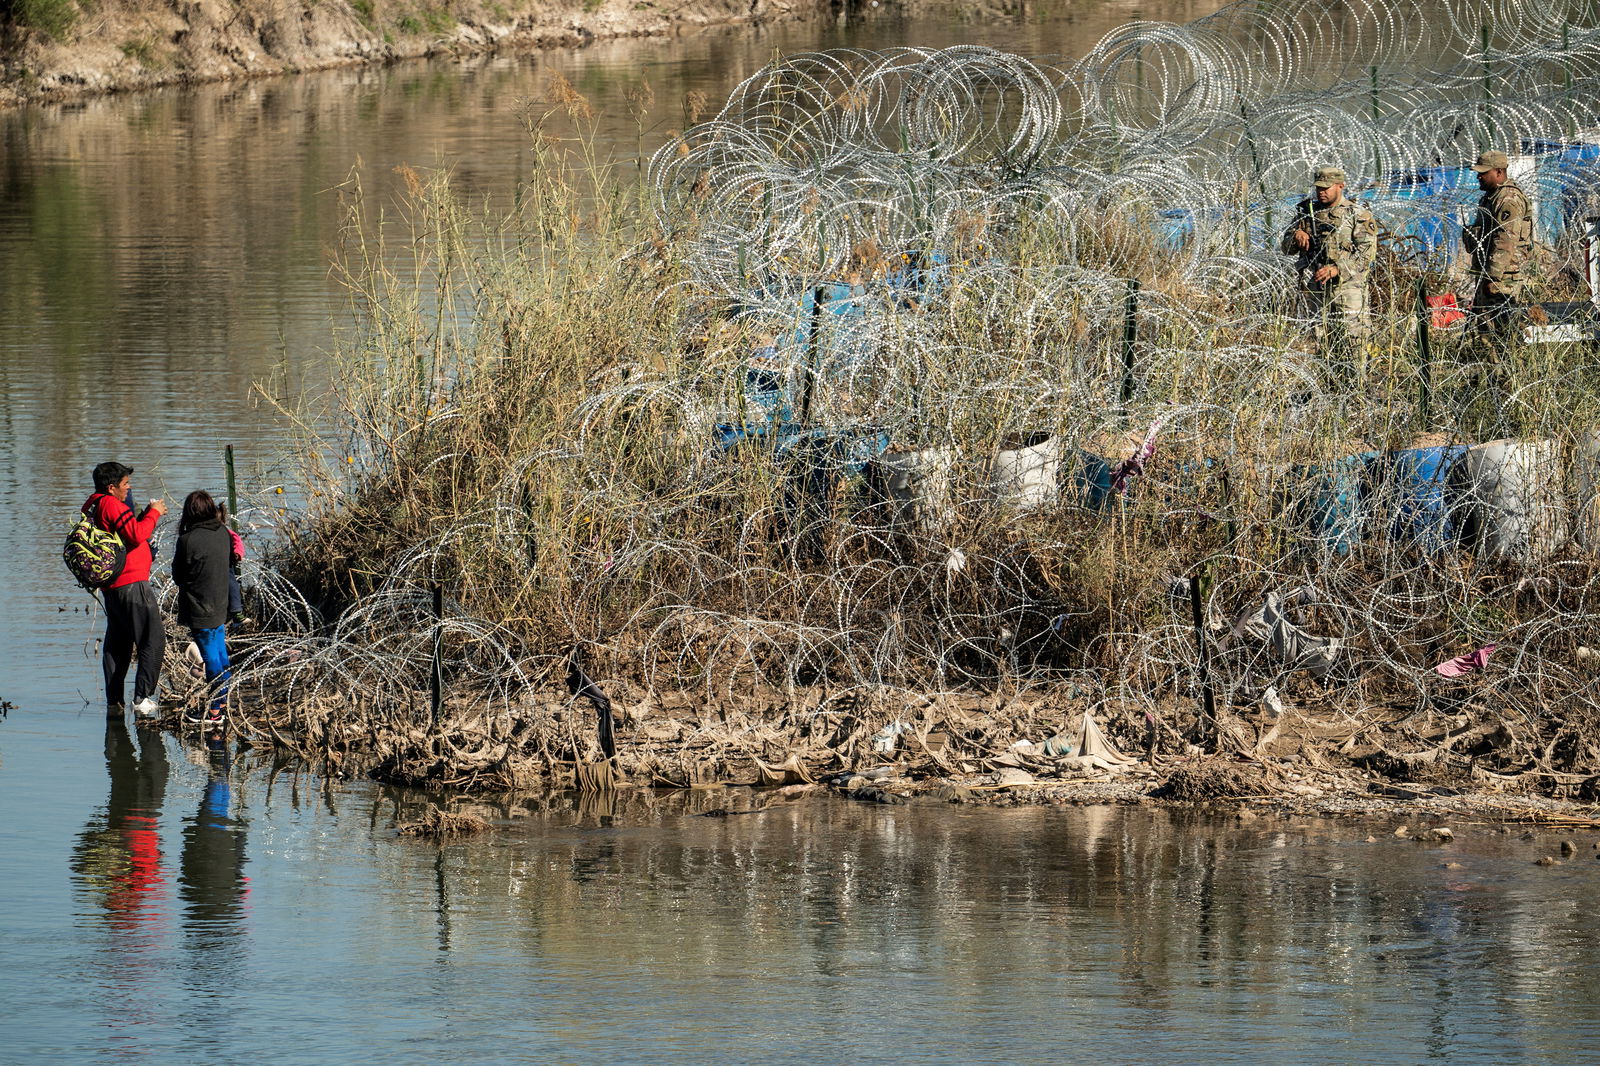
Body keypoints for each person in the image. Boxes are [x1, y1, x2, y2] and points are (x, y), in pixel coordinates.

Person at [85, 462, 167, 719]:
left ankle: (114, 701)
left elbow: (126, 533)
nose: (128, 488)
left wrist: (141, 518)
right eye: (125, 484)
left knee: (118, 645)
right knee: (152, 641)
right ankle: (142, 699)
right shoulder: (111, 503)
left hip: (115, 587)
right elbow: (135, 534)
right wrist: (154, 513)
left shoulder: (95, 504)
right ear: (111, 488)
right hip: (132, 585)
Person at [1280, 165, 1378, 365]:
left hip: (1349, 289)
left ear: (1340, 186)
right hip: (1317, 288)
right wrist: (1296, 235)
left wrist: (1337, 269)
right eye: (1318, 188)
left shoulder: (1357, 214)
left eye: (1327, 187)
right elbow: (1286, 248)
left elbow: (1366, 254)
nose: (1321, 192)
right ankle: (1328, 387)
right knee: (1321, 341)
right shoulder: (1306, 214)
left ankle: (1357, 388)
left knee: (1354, 341)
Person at [172, 490, 233, 727]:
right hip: (221, 603)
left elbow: (178, 576)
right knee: (220, 653)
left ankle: (215, 712)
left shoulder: (187, 540)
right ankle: (223, 701)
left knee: (211, 659)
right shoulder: (223, 532)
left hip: (200, 607)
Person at [1461, 148, 1533, 348]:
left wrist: (1491, 276)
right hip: (1490, 274)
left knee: (1501, 329)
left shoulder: (1507, 199)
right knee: (1487, 328)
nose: (1479, 176)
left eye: (1484, 172)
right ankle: (1492, 373)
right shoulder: (1491, 197)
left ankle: (1506, 374)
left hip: (1502, 277)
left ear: (1499, 172)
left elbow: (1505, 239)